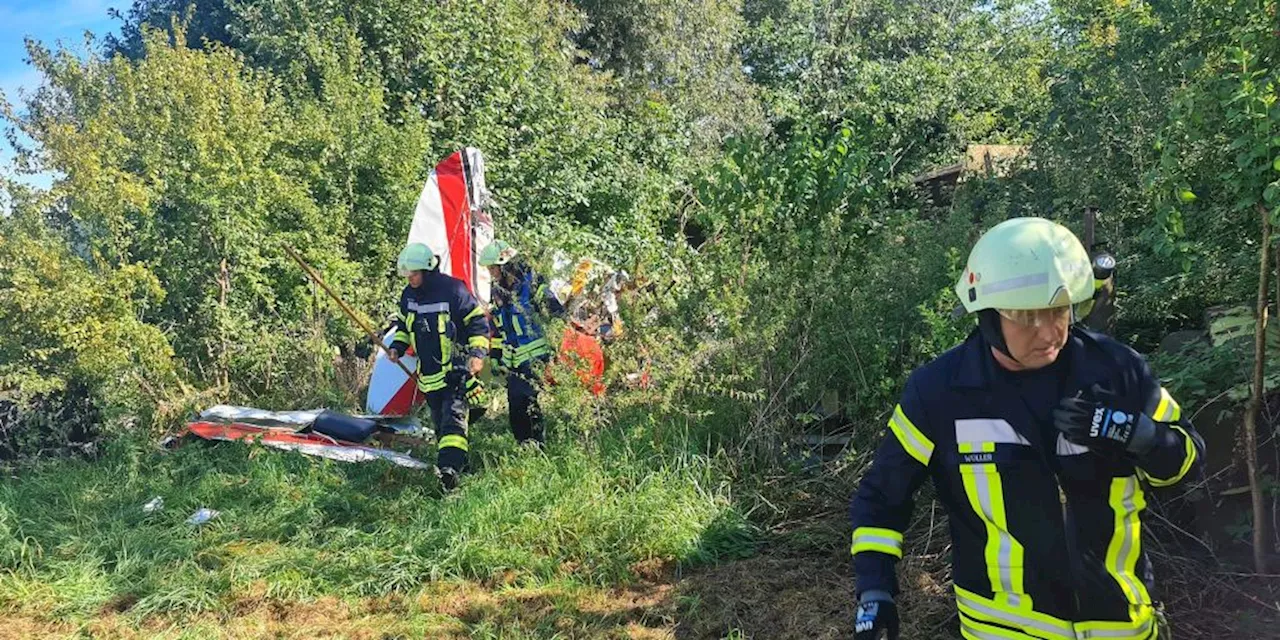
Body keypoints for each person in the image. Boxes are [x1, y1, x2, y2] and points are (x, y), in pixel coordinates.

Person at [850, 217, 1204, 640]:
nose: (1048, 332)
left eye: (1058, 311)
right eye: (1026, 315)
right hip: (1002, 628)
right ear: (986, 315)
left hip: (1122, 624)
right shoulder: (940, 393)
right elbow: (882, 499)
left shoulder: (1118, 371)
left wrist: (1137, 434)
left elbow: (1185, 464)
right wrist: (875, 592)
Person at [387, 243, 490, 491]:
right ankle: (459, 466)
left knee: (452, 422)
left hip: (456, 369)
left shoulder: (453, 289)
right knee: (440, 425)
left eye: (414, 274)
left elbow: (477, 322)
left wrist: (477, 355)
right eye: (407, 275)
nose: (410, 279)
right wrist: (397, 348)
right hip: (429, 375)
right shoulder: (408, 295)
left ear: (427, 270)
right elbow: (403, 327)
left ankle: (449, 474)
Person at [479, 240, 563, 445]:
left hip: (536, 355)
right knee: (515, 403)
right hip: (513, 359)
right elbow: (499, 326)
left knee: (528, 399)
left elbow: (556, 315)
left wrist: (558, 350)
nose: (491, 273)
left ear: (506, 264)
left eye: (493, 268)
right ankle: (524, 445)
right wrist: (497, 356)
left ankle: (538, 444)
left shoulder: (531, 284)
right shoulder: (497, 290)